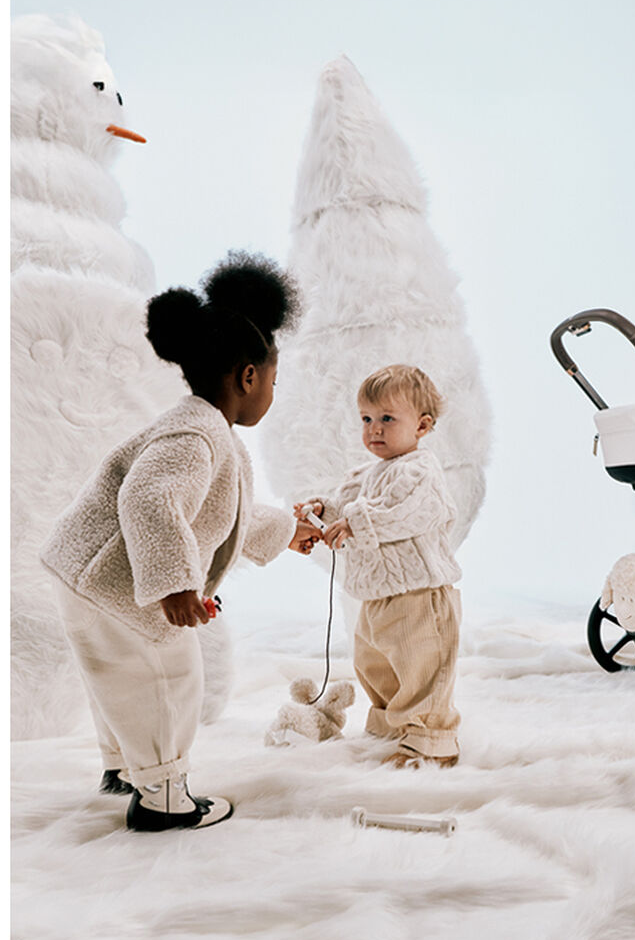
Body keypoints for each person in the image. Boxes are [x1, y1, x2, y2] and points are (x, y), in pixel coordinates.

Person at [40, 250, 322, 831]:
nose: (272, 392)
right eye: (274, 380)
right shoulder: (195, 437)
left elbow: (221, 513)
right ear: (249, 377)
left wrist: (287, 531)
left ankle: (124, 770)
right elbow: (148, 499)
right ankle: (163, 799)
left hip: (85, 575)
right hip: (114, 584)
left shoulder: (202, 429)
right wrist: (174, 585)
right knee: (169, 679)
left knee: (118, 678)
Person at [296, 364, 462, 768]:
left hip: (419, 595)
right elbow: (348, 505)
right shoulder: (366, 473)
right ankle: (391, 728)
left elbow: (404, 512)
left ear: (422, 426)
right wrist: (323, 510)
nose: (374, 429)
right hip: (376, 596)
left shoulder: (420, 471)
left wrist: (356, 521)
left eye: (387, 418)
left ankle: (430, 741)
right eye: (367, 419)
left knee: (420, 667)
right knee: (375, 665)